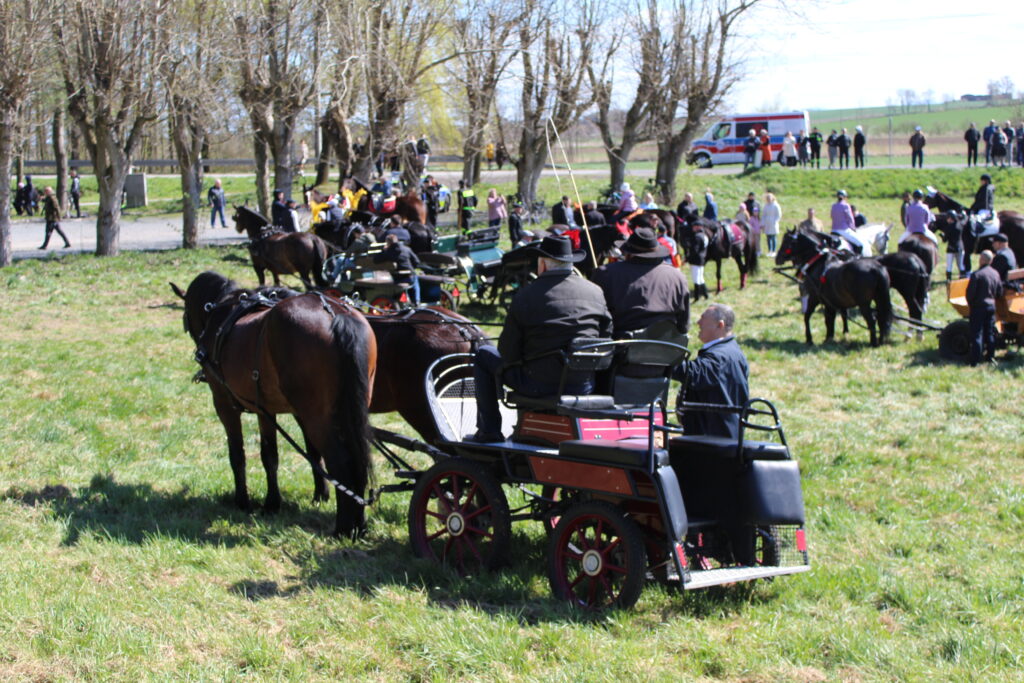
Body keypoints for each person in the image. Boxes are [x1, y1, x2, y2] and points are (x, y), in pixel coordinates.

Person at [470, 235, 611, 441]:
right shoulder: (595, 292)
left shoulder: (526, 295)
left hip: (537, 384)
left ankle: (489, 431)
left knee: (483, 354)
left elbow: (508, 352)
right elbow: (606, 338)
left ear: (542, 264)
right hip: (583, 383)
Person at [592, 227, 689, 336]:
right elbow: (684, 325)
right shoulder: (678, 277)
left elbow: (596, 316)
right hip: (665, 347)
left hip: (619, 345)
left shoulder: (605, 273)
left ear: (628, 252)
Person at [672, 303, 749, 439]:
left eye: (703, 318)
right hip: (725, 433)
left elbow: (693, 373)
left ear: (720, 325)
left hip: (713, 438)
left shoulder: (720, 357)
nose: (698, 322)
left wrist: (660, 357)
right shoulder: (733, 352)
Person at [966, 250, 1002, 366]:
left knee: (977, 333)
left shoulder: (977, 274)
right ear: (991, 261)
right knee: (989, 332)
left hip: (978, 307)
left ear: (981, 260)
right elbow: (999, 292)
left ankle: (975, 360)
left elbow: (970, 294)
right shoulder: (995, 274)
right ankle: (990, 357)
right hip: (991, 306)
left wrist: (971, 304)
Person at [375, 234, 420, 305]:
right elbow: (417, 261)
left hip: (398, 278)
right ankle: (416, 301)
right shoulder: (407, 249)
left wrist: (383, 250)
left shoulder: (388, 252)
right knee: (414, 278)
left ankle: (403, 302)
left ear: (388, 243)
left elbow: (376, 260)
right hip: (411, 276)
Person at [831, 189, 862, 254]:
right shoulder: (846, 205)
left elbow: (832, 216)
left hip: (834, 230)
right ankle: (857, 257)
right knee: (860, 244)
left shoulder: (833, 206)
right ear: (845, 197)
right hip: (844, 230)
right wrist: (853, 229)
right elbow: (850, 219)